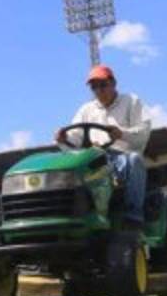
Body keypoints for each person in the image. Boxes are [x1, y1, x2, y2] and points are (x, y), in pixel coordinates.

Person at [55, 64, 151, 228]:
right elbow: (75, 137)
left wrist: (122, 134)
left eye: (103, 85)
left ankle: (133, 215)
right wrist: (62, 138)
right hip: (94, 158)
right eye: (94, 87)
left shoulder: (131, 101)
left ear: (113, 83)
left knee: (134, 159)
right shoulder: (86, 110)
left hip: (122, 158)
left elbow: (143, 133)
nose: (99, 90)